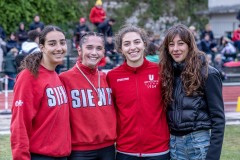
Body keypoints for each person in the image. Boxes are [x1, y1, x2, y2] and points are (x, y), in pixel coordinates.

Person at [159, 24, 225, 160]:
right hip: (174, 145)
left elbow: (218, 119)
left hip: (199, 144)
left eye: (181, 43)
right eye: (171, 44)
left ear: (190, 45)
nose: (175, 49)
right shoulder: (168, 73)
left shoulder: (208, 73)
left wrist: (213, 156)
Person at [106, 25, 170, 160]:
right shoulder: (112, 76)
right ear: (120, 49)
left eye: (136, 42)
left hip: (158, 151)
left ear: (144, 44)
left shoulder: (161, 71)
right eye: (127, 44)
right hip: (126, 151)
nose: (132, 47)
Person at [10, 25, 71, 159]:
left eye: (62, 42)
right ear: (42, 47)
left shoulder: (55, 75)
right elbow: (19, 124)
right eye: (52, 43)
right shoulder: (29, 77)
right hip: (41, 156)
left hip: (62, 155)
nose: (59, 48)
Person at [59, 32, 116, 160]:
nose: (94, 52)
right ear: (79, 50)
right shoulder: (64, 79)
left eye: (99, 48)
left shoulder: (106, 78)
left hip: (108, 148)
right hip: (79, 150)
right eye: (89, 47)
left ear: (103, 52)